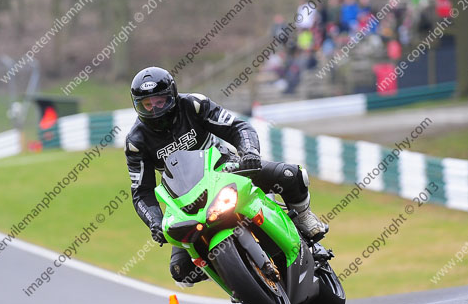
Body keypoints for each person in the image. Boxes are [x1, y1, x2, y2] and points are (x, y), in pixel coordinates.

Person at [125, 67, 327, 285]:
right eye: (147, 104)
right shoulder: (136, 142)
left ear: (172, 96)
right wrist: (154, 221)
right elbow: (141, 191)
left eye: (160, 102)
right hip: (185, 198)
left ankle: (303, 217)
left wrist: (249, 152)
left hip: (227, 168)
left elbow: (238, 127)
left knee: (291, 175)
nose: (154, 110)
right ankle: (234, 274)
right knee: (180, 270)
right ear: (138, 105)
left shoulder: (194, 105)